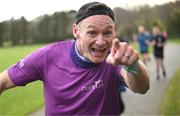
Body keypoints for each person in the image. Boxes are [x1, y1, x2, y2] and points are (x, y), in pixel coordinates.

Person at [0, 2, 150, 115]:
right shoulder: (47, 56)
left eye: (107, 33)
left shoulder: (114, 56)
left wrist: (133, 65)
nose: (101, 41)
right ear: (76, 31)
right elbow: (3, 81)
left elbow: (142, 88)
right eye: (92, 33)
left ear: (114, 32)